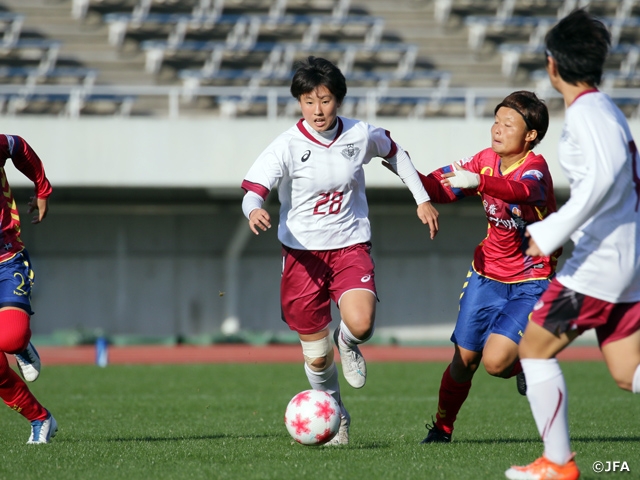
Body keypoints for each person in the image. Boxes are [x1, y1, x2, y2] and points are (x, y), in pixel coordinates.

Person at [241, 56, 439, 445]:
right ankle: (336, 413)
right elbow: (253, 190)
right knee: (316, 358)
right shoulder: (287, 145)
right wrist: (254, 210)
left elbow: (395, 152)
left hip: (350, 245)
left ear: (339, 100)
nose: (317, 110)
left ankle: (346, 343)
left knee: (361, 324)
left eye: (325, 100)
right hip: (302, 256)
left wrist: (422, 199)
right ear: (299, 102)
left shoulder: (359, 135)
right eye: (309, 101)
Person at [505, 10, 640, 480]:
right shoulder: (605, 109)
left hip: (601, 262)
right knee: (626, 370)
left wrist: (549, 232)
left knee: (533, 349)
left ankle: (558, 463)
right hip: (623, 257)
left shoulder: (587, 114)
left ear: (552, 64)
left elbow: (601, 180)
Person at [385, 91, 560, 444]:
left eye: (508, 124)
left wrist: (479, 181)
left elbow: (523, 191)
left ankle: (527, 361)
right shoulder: (483, 160)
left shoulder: (536, 169)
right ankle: (441, 429)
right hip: (486, 275)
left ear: (530, 135)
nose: (497, 129)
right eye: (496, 121)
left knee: (496, 364)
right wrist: (402, 166)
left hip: (532, 280)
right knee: (464, 361)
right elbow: (438, 188)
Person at [0, 133, 57, 444]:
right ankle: (40, 419)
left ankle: (20, 346)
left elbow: (17, 146)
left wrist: (42, 188)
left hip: (6, 260)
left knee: (10, 338)